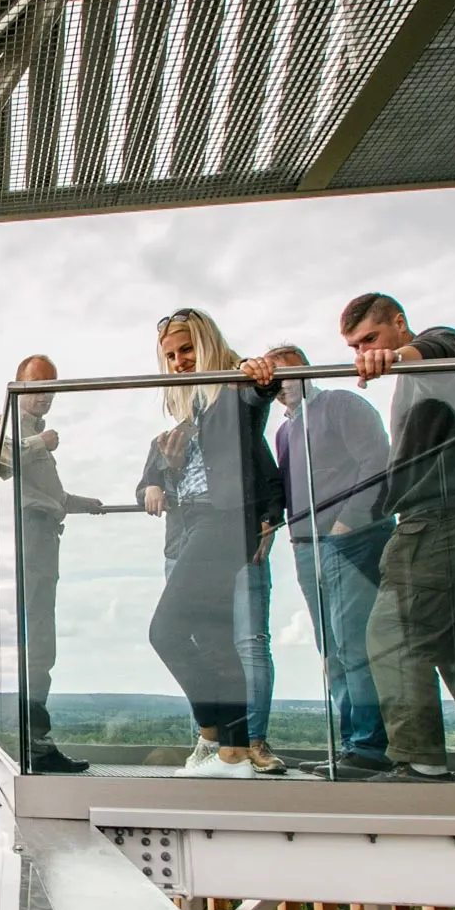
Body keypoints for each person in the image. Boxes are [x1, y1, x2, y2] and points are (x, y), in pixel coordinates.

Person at [249, 294, 455, 781]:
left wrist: (395, 355)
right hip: (451, 510)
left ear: (399, 323)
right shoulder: (402, 388)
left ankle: (416, 762)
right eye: (355, 347)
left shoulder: (437, 350)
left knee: (389, 631)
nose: (363, 352)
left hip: (441, 513)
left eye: (370, 340)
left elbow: (440, 347)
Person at [145, 310, 282, 778]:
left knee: (165, 631)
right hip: (200, 522)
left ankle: (211, 733)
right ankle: (234, 753)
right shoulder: (195, 408)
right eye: (170, 356)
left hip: (223, 521)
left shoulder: (233, 384)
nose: (179, 362)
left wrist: (258, 376)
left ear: (206, 344)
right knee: (216, 638)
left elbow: (258, 394)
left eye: (187, 350)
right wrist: (160, 477)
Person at [267, 344, 395, 778]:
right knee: (333, 652)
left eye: (286, 373)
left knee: (354, 645)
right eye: (272, 378)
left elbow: (376, 462)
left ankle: (371, 749)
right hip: (306, 546)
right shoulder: (284, 432)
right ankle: (351, 747)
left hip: (352, 540)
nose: (279, 384)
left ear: (306, 371)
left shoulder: (341, 404)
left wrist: (347, 522)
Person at [0, 354, 103, 773]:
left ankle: (38, 744)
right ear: (19, 385)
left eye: (51, 389)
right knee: (35, 643)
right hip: (30, 536)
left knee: (43, 644)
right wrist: (37, 443)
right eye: (38, 386)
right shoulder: (10, 421)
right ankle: (36, 748)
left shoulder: (32, 432)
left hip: (46, 537)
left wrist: (87, 505)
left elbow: (50, 498)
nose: (45, 396)